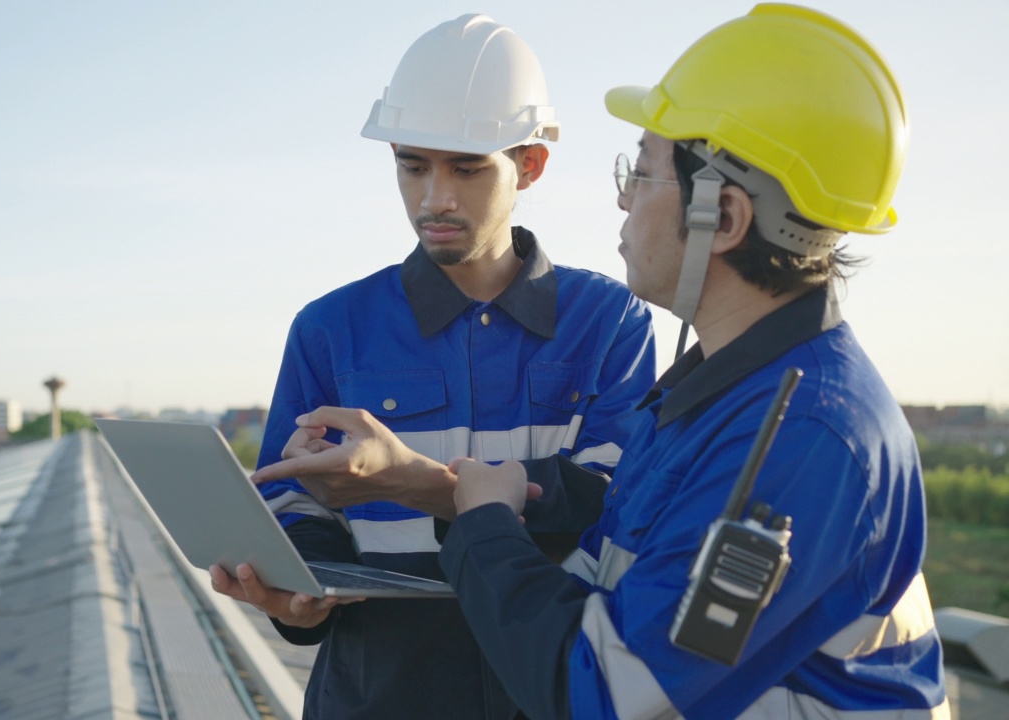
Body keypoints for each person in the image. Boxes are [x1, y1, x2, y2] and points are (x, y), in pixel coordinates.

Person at [437, 4, 950, 719]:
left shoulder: (800, 437)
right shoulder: (717, 395)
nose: (621, 199)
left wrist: (484, 525)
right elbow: (605, 591)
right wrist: (484, 497)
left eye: (641, 172)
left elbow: (606, 696)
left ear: (725, 218)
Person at [210, 13, 657, 720]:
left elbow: (614, 505)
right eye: (412, 165)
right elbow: (287, 506)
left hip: (546, 695)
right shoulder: (329, 328)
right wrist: (297, 595)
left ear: (530, 165)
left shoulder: (609, 321)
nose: (434, 198)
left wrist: (417, 485)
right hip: (375, 697)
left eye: (466, 167)